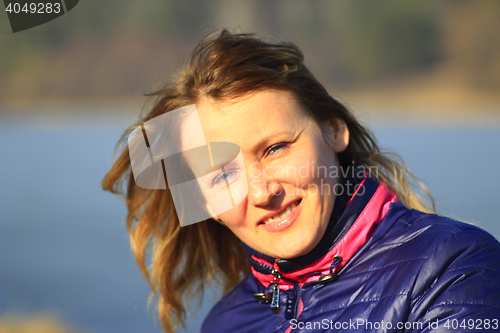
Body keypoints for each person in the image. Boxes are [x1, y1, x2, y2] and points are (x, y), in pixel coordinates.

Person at [102, 30, 500, 332]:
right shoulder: (226, 322)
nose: (262, 191)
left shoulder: (453, 267)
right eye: (221, 174)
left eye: (275, 148)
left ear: (333, 132)